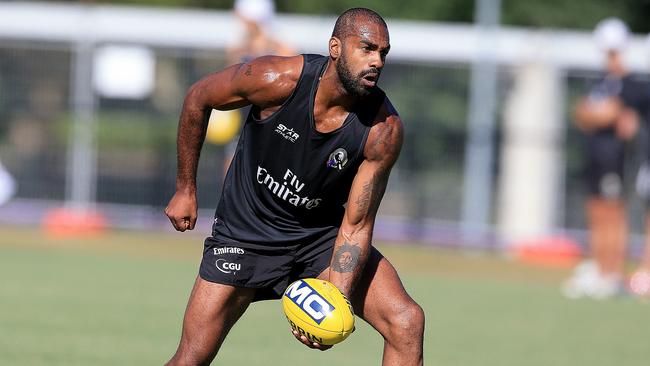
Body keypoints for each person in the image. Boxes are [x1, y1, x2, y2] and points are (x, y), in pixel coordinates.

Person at [164, 7, 425, 366]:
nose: (376, 60)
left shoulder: (382, 130)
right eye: (366, 48)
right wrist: (185, 188)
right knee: (191, 358)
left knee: (406, 321)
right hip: (246, 234)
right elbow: (199, 97)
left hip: (318, 240)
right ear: (336, 47)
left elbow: (357, 225)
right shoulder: (276, 78)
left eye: (383, 52)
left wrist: (337, 299)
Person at [563, 18, 646, 299]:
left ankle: (612, 273)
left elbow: (615, 117)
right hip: (595, 155)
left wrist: (597, 114)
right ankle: (599, 268)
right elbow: (582, 114)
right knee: (596, 211)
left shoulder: (632, 84)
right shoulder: (598, 80)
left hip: (615, 157)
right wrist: (598, 114)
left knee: (613, 212)